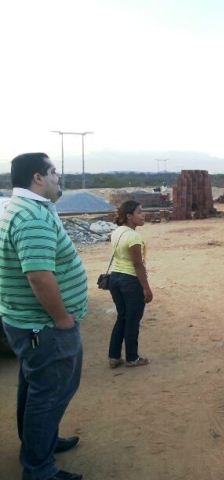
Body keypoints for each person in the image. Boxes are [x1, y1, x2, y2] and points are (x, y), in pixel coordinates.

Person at [0, 153, 87, 480]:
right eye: (53, 172)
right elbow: (38, 276)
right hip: (45, 327)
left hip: (29, 324)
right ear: (38, 177)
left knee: (35, 389)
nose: (58, 177)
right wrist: (63, 319)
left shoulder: (21, 207)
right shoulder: (31, 217)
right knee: (49, 395)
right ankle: (39, 469)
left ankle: (39, 444)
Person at [108, 200, 153, 368]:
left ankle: (114, 356)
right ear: (128, 216)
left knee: (122, 317)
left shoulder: (117, 231)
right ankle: (132, 358)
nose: (143, 215)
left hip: (115, 278)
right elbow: (137, 264)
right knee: (132, 320)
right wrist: (146, 288)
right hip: (130, 281)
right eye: (139, 212)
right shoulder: (134, 237)